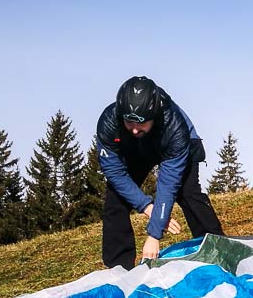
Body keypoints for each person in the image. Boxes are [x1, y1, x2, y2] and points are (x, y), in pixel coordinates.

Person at [96, 75, 224, 269]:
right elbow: (114, 172)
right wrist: (147, 206)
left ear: (154, 116)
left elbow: (168, 183)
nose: (134, 129)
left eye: (141, 123)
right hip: (136, 151)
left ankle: (217, 249)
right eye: (129, 122)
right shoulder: (108, 122)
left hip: (176, 146)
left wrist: (154, 234)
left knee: (188, 193)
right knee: (116, 198)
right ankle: (118, 267)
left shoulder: (175, 127)